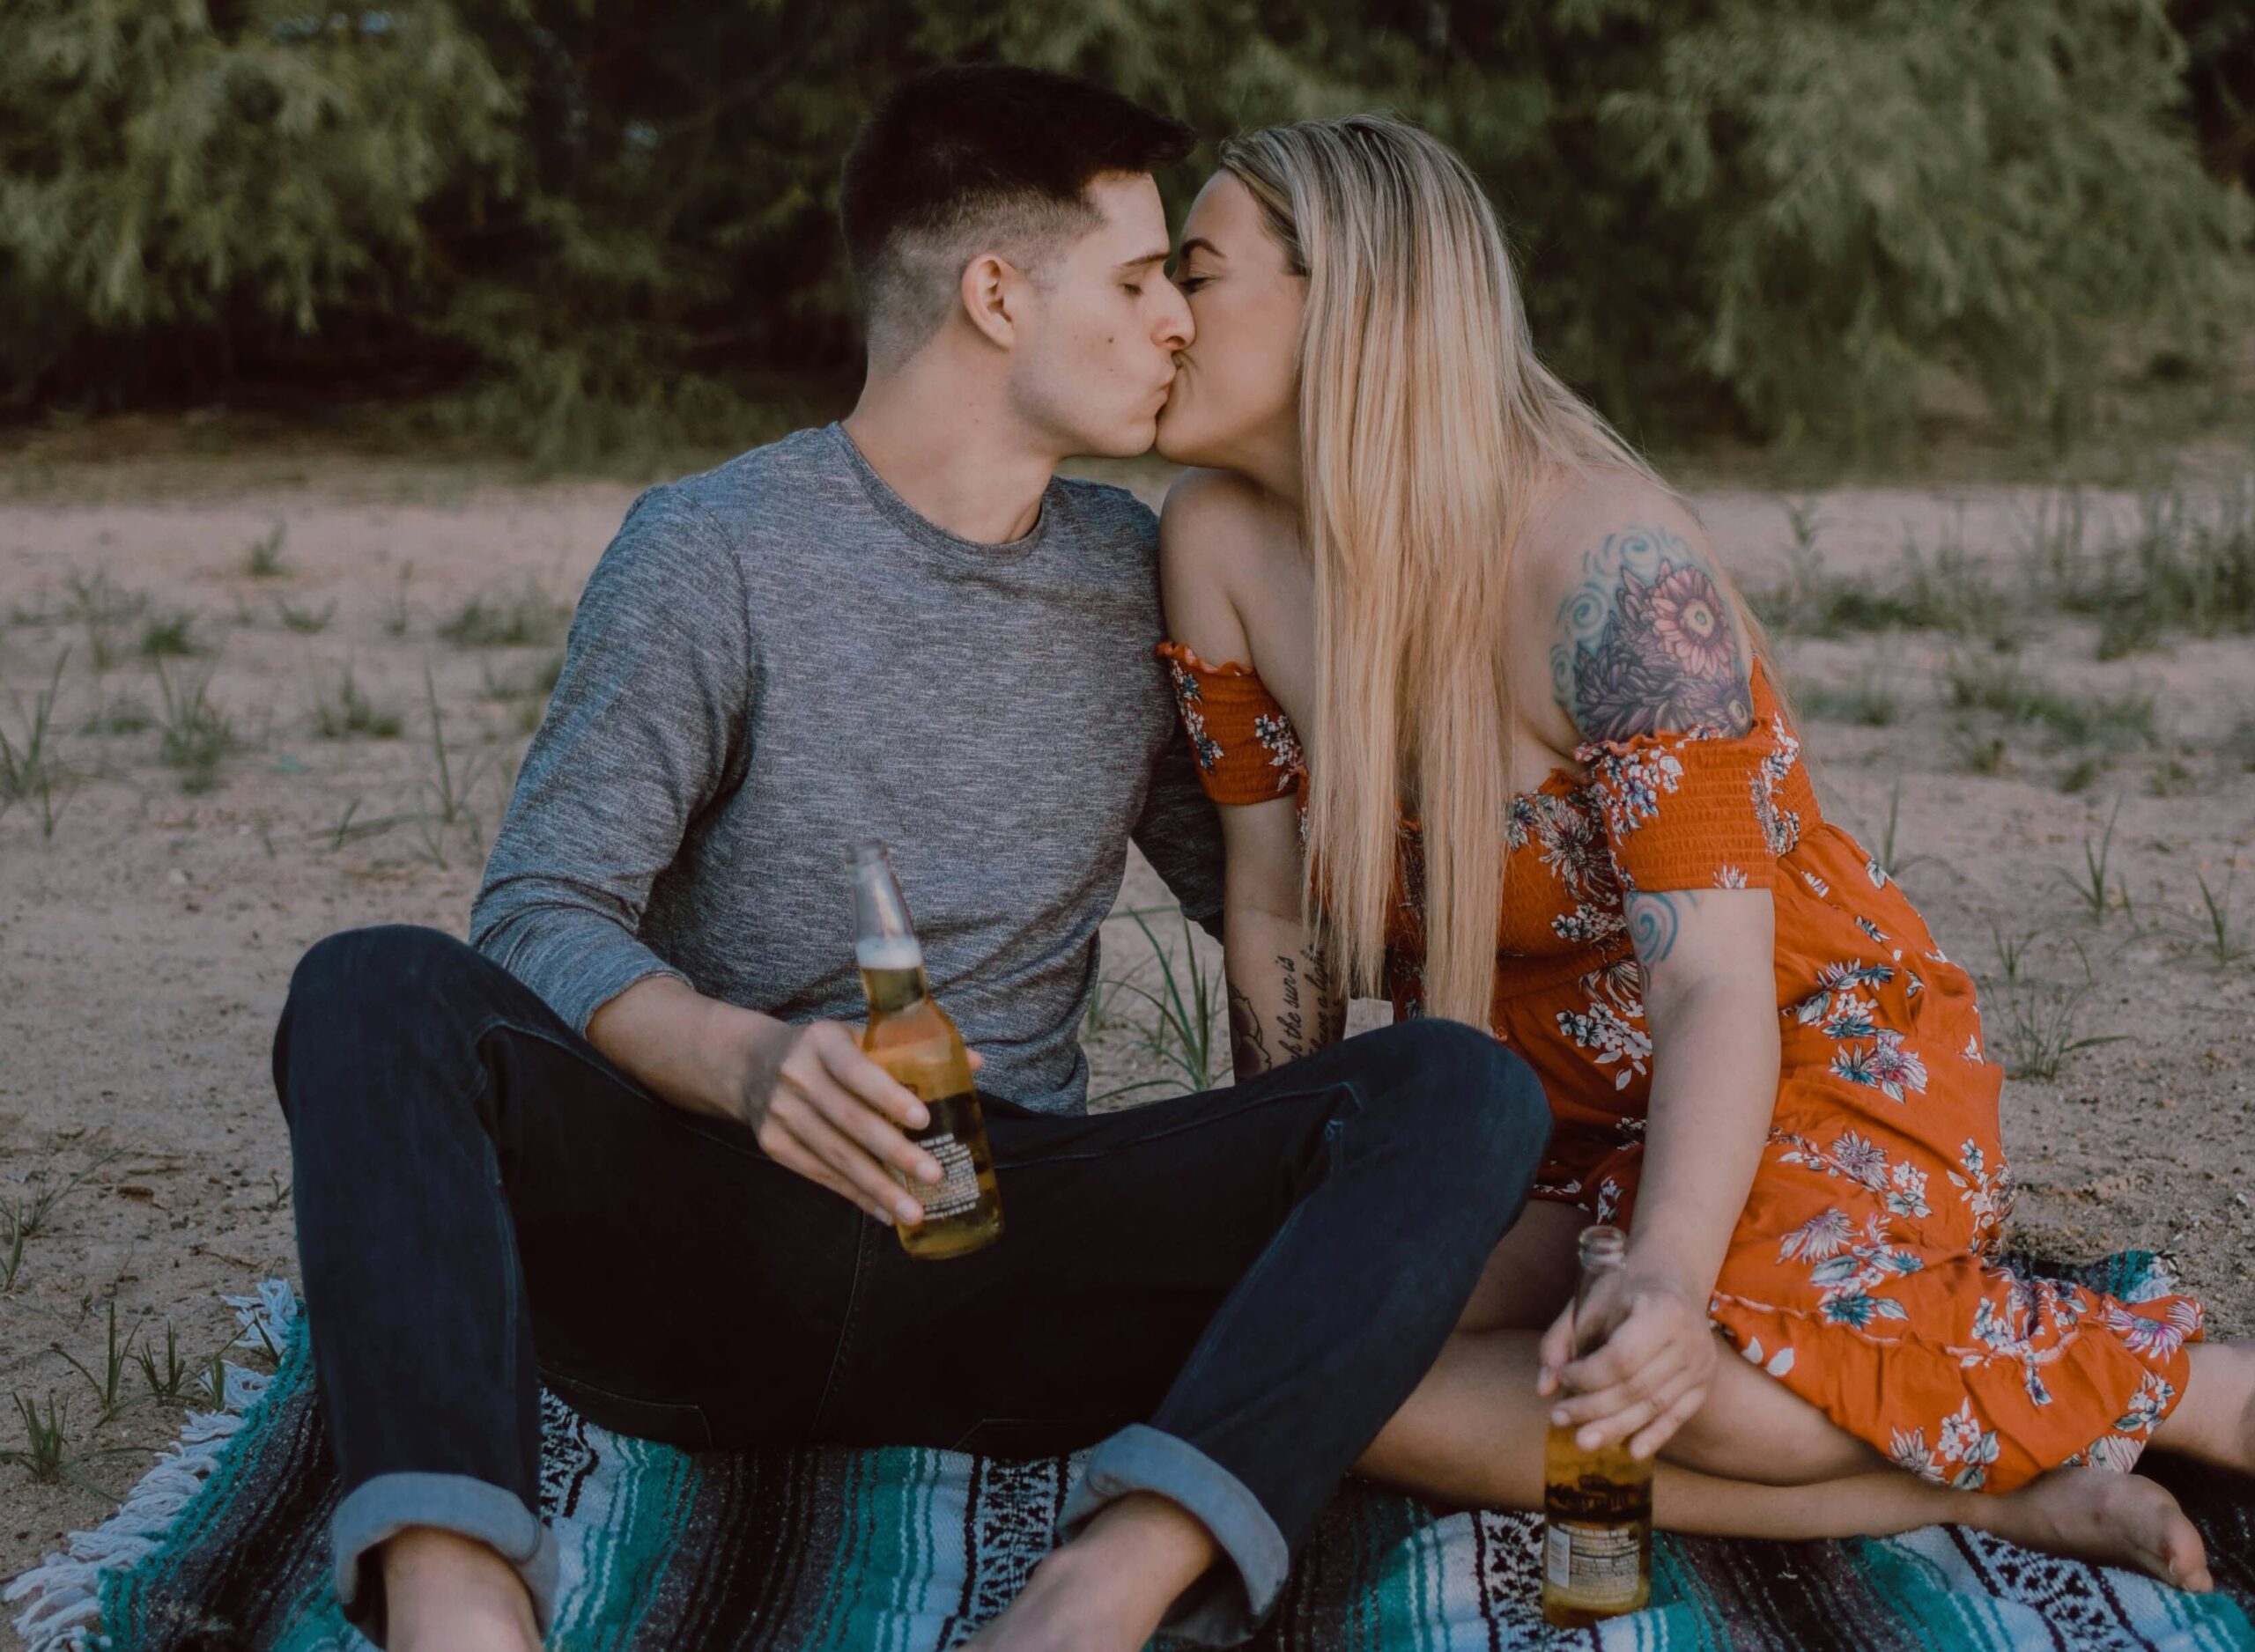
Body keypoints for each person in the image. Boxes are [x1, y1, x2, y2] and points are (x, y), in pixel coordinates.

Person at [270, 67, 1556, 1652]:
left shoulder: (1132, 573)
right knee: (373, 988)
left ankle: (1110, 1588)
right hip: (708, 1242)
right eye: (1143, 277)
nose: (1178, 322)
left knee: (1457, 1088)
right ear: (997, 293)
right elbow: (543, 907)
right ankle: (457, 1604)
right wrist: (750, 1068)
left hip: (1014, 1268)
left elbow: (1271, 904)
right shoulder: (716, 549)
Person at [1150, 111, 2255, 1593]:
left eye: (1194, 272)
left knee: (1716, 1372)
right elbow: (1272, 905)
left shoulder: (1608, 569)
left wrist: (1666, 1274)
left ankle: (2180, 1388)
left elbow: (1713, 989)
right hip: (1530, 1108)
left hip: (1802, 1051)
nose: (1157, 313)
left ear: (1349, 301)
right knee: (1310, 1369)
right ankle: (1997, 1488)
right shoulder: (1217, 540)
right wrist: (1292, 1185)